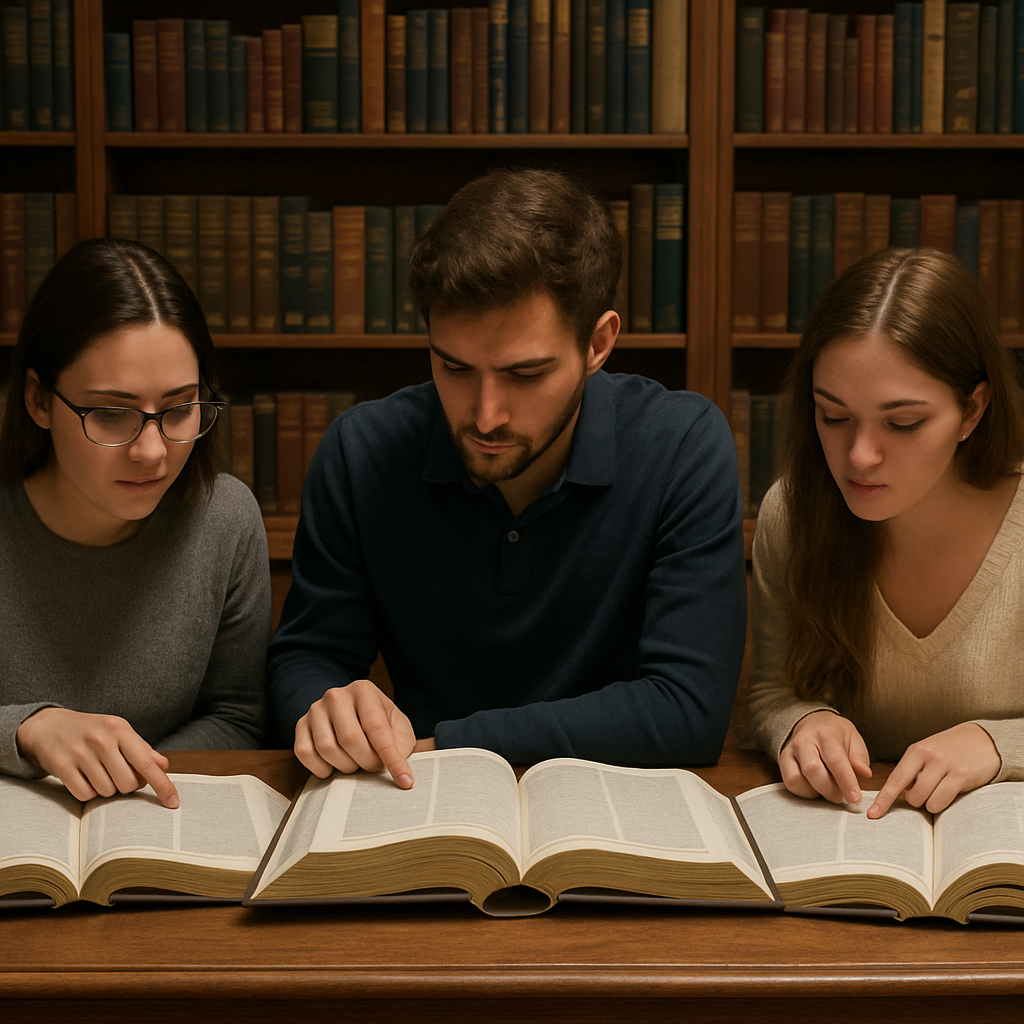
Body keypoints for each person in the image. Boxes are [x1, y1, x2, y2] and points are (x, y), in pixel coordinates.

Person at [268, 167, 746, 787]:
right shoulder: (363, 451)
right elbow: (307, 657)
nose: (485, 415)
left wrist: (447, 744)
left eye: (525, 374)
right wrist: (326, 706)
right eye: (455, 367)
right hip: (422, 804)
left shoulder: (681, 446)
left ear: (598, 343)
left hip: (609, 815)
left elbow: (686, 712)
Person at [745, 246, 1024, 819]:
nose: (859, 456)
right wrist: (803, 721)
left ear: (973, 411)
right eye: (834, 416)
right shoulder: (794, 514)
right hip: (854, 844)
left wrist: (999, 744)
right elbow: (773, 691)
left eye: (903, 423)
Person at [0, 237, 271, 809]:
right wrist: (28, 729)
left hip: (153, 826)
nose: (151, 452)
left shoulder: (224, 520)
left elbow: (238, 717)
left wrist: (127, 774)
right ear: (39, 401)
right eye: (111, 413)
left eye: (178, 408)